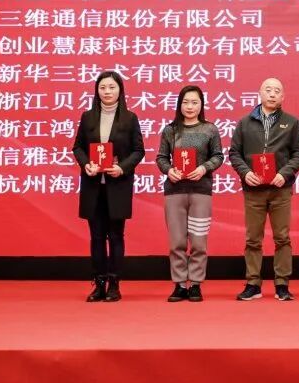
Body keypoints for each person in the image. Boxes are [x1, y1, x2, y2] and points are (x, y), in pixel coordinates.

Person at [229, 78, 299, 301]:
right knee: (253, 238)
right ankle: (253, 283)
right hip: (253, 189)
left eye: (277, 91)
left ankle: (282, 283)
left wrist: (284, 173)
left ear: (283, 97)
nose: (272, 94)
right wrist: (245, 173)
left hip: (280, 188)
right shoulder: (245, 123)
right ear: (260, 93)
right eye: (268, 90)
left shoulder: (291, 122)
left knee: (282, 237)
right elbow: (234, 153)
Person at [72, 71, 145, 302]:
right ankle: (99, 283)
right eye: (103, 87)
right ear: (97, 90)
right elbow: (78, 147)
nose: (107, 92)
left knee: (115, 236)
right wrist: (86, 164)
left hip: (117, 185)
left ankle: (114, 283)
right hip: (93, 186)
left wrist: (122, 167)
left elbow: (138, 151)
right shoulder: (88, 117)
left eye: (112, 87)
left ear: (120, 90)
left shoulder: (130, 118)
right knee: (96, 237)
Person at [155, 85, 224, 303]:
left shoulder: (210, 129)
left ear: (201, 105)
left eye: (194, 102)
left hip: (201, 192)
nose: (190, 106)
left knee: (198, 241)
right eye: (185, 102)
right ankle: (179, 284)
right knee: (176, 241)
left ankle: (195, 284)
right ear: (179, 105)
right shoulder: (170, 130)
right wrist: (169, 170)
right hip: (174, 192)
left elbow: (218, 156)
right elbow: (161, 158)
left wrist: (203, 168)